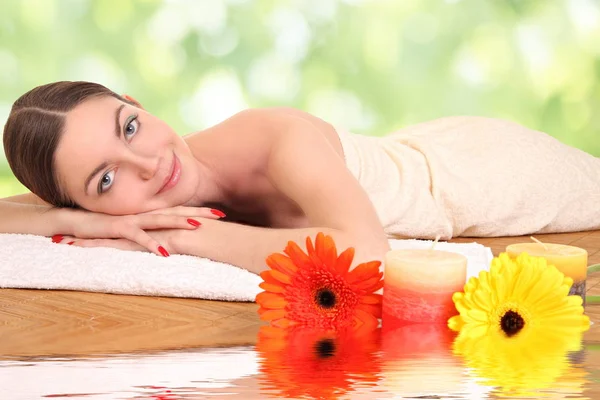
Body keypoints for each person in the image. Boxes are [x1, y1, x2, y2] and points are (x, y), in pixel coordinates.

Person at [2, 81, 599, 275]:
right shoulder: (130, 195)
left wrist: (186, 236)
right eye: (106, 180)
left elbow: (365, 253)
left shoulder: (270, 137)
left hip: (482, 171)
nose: (149, 163)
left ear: (137, 102)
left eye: (130, 128)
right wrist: (70, 218)